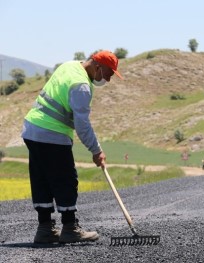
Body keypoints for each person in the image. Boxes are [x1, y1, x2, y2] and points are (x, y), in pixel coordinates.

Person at [21, 50, 123, 244]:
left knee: (42, 179)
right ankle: (69, 228)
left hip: (32, 129)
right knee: (65, 179)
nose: (108, 80)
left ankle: (44, 229)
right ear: (97, 66)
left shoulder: (69, 66)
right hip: (51, 134)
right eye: (108, 74)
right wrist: (96, 150)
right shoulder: (81, 86)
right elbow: (82, 125)